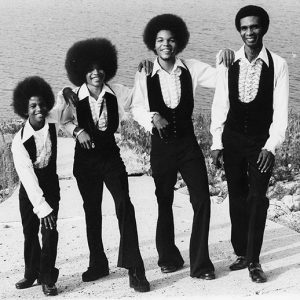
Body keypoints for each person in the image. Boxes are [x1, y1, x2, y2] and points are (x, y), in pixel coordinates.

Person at [130, 14, 234, 280]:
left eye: (171, 40)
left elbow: (222, 78)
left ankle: (201, 264)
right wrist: (153, 117)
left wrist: (224, 56)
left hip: (188, 146)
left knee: (201, 199)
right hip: (161, 147)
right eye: (160, 40)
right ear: (153, 44)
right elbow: (137, 106)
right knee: (164, 200)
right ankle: (168, 258)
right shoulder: (144, 72)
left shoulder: (192, 68)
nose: (166, 44)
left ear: (179, 42)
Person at [58, 38, 150, 293]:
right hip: (85, 161)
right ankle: (98, 262)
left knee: (124, 204)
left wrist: (144, 71)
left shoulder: (118, 92)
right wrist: (77, 131)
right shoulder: (74, 96)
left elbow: (142, 97)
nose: (96, 73)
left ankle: (136, 268)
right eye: (89, 69)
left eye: (99, 68)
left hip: (110, 157)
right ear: (81, 72)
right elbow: (61, 119)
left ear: (106, 69)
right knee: (92, 210)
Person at [210, 5, 289, 283]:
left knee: (257, 198)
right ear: (239, 31)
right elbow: (220, 103)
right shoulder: (229, 61)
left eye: (254, 26)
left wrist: (271, 146)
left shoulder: (278, 64)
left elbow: (281, 112)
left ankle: (254, 260)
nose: (249, 32)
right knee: (237, 196)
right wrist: (216, 142)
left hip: (260, 143)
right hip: (231, 139)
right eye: (244, 28)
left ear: (263, 28)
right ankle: (241, 252)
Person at [11, 76, 67, 296]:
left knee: (50, 231)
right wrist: (41, 207)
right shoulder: (19, 142)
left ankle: (47, 278)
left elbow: (63, 99)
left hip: (50, 185)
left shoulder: (52, 119)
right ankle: (31, 272)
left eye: (42, 104)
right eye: (33, 106)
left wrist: (66, 91)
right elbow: (28, 178)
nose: (39, 109)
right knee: (30, 231)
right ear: (25, 110)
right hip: (30, 189)